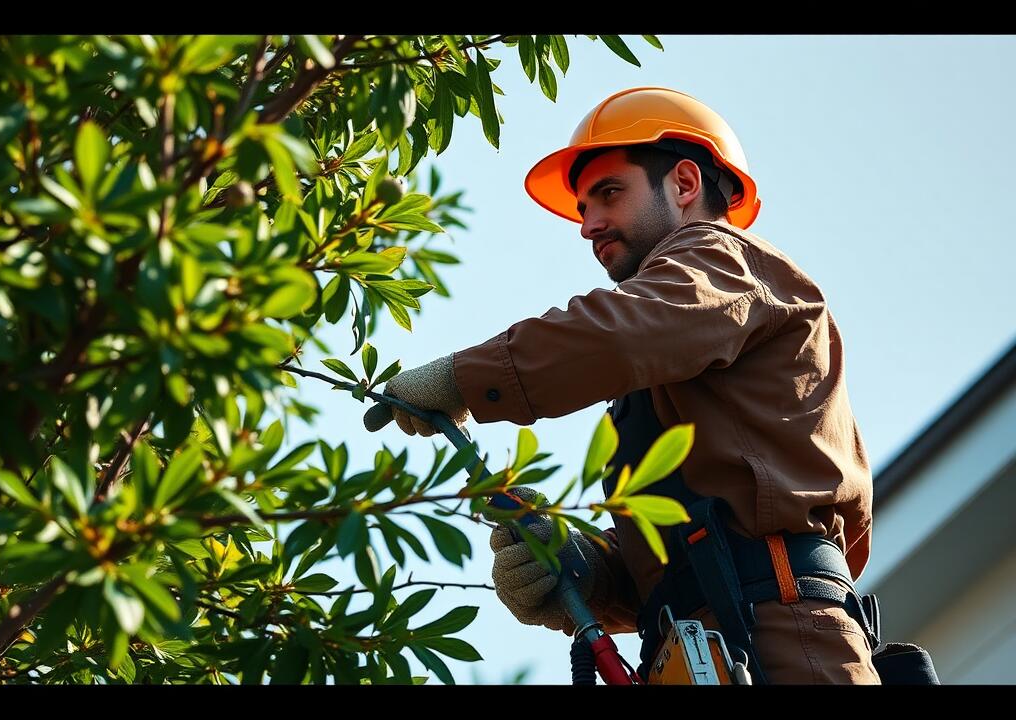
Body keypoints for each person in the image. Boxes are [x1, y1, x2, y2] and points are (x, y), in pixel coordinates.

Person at [366, 87, 880, 684]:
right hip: (706, 648)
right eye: (584, 206)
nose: (589, 224)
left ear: (685, 184)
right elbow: (689, 553)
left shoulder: (725, 263)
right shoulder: (674, 365)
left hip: (783, 641)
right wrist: (587, 571)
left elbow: (620, 333)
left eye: (609, 193)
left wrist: (465, 377)